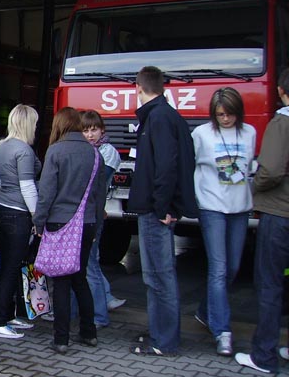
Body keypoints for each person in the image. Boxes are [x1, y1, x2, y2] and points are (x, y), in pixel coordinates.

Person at [127, 66, 198, 357]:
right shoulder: (167, 116)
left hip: (155, 212)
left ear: (138, 88)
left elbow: (166, 167)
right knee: (157, 277)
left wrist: (163, 206)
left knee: (159, 277)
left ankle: (164, 341)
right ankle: (159, 333)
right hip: (159, 208)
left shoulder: (157, 118)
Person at [34, 107, 106, 354]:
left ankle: (61, 339)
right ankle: (89, 333)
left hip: (59, 223)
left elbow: (46, 193)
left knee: (61, 282)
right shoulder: (95, 154)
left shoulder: (55, 151)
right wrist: (97, 225)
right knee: (80, 277)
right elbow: (100, 196)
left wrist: (39, 222)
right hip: (87, 223)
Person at [192, 88, 256, 356]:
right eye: (220, 114)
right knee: (218, 268)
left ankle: (206, 311)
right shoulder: (201, 134)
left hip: (240, 207)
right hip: (212, 206)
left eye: (230, 114)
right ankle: (222, 331)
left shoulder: (249, 132)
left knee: (232, 267)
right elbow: (191, 164)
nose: (226, 119)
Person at [235, 68, 289, 373]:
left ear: (280, 91)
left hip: (280, 214)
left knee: (270, 285)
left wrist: (254, 187)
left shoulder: (281, 123)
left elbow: (270, 170)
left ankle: (264, 356)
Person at [0, 104, 40, 340]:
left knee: (9, 265)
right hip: (18, 214)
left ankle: (6, 315)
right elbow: (27, 186)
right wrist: (37, 216)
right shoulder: (24, 151)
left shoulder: (2, 146)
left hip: (2, 208)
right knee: (11, 267)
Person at [79, 110, 126, 327]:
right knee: (87, 263)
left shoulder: (108, 152)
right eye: (85, 130)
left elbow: (96, 183)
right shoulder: (85, 149)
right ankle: (102, 301)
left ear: (102, 130)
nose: (90, 135)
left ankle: (100, 313)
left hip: (93, 213)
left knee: (90, 265)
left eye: (94, 130)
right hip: (87, 212)